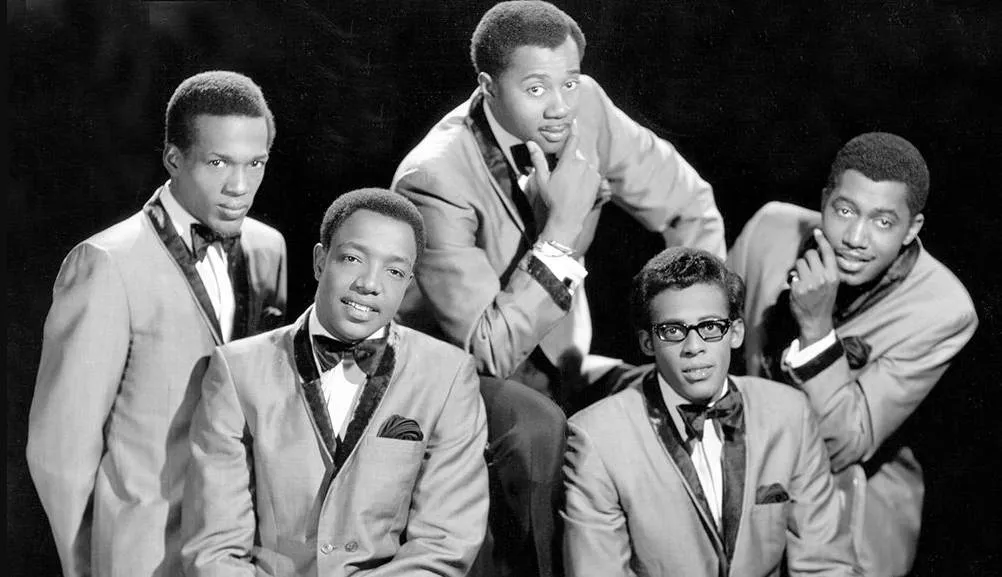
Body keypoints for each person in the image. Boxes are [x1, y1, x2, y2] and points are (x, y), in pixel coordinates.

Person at [392, 2, 724, 574]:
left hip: (563, 361)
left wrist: (695, 318)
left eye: (569, 81)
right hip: (464, 385)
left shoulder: (586, 108)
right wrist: (562, 234)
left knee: (686, 390)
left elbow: (690, 206)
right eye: (536, 88)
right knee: (536, 427)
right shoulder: (433, 177)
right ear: (488, 87)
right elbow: (487, 350)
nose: (561, 106)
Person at [26, 70, 287, 577]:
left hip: (239, 552)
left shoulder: (268, 248)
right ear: (173, 159)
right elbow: (60, 453)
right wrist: (88, 568)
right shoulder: (106, 262)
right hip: (139, 557)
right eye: (218, 163)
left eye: (255, 163)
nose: (240, 186)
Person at [181, 188, 489, 576]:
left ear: (408, 283)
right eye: (353, 259)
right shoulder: (238, 370)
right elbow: (215, 549)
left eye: (394, 271)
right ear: (320, 261)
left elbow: (442, 545)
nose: (370, 284)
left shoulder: (447, 376)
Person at [727, 132, 978, 575]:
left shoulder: (944, 309)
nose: (856, 238)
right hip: (734, 469)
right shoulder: (771, 228)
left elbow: (843, 446)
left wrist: (817, 331)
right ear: (825, 200)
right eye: (845, 211)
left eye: (883, 222)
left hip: (845, 507)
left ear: (911, 229)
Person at [562, 247, 859, 576]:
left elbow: (825, 564)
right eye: (673, 331)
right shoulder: (597, 438)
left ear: (736, 333)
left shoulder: (790, 414)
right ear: (647, 343)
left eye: (710, 327)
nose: (694, 347)